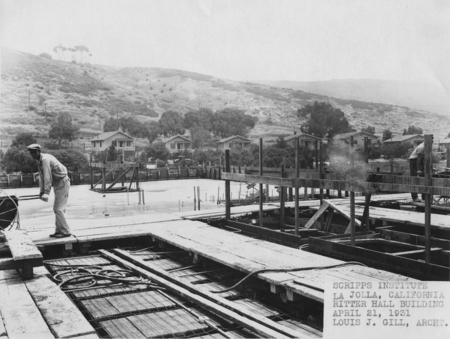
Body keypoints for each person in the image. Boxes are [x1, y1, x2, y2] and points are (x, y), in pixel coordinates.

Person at [27, 144, 72, 238]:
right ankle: (59, 230)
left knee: (58, 208)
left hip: (62, 181)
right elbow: (42, 177)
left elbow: (48, 176)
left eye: (34, 152)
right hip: (58, 182)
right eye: (31, 153)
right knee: (58, 208)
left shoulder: (45, 160)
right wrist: (41, 191)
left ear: (39, 151)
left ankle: (66, 231)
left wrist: (46, 193)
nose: (33, 154)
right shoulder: (39, 160)